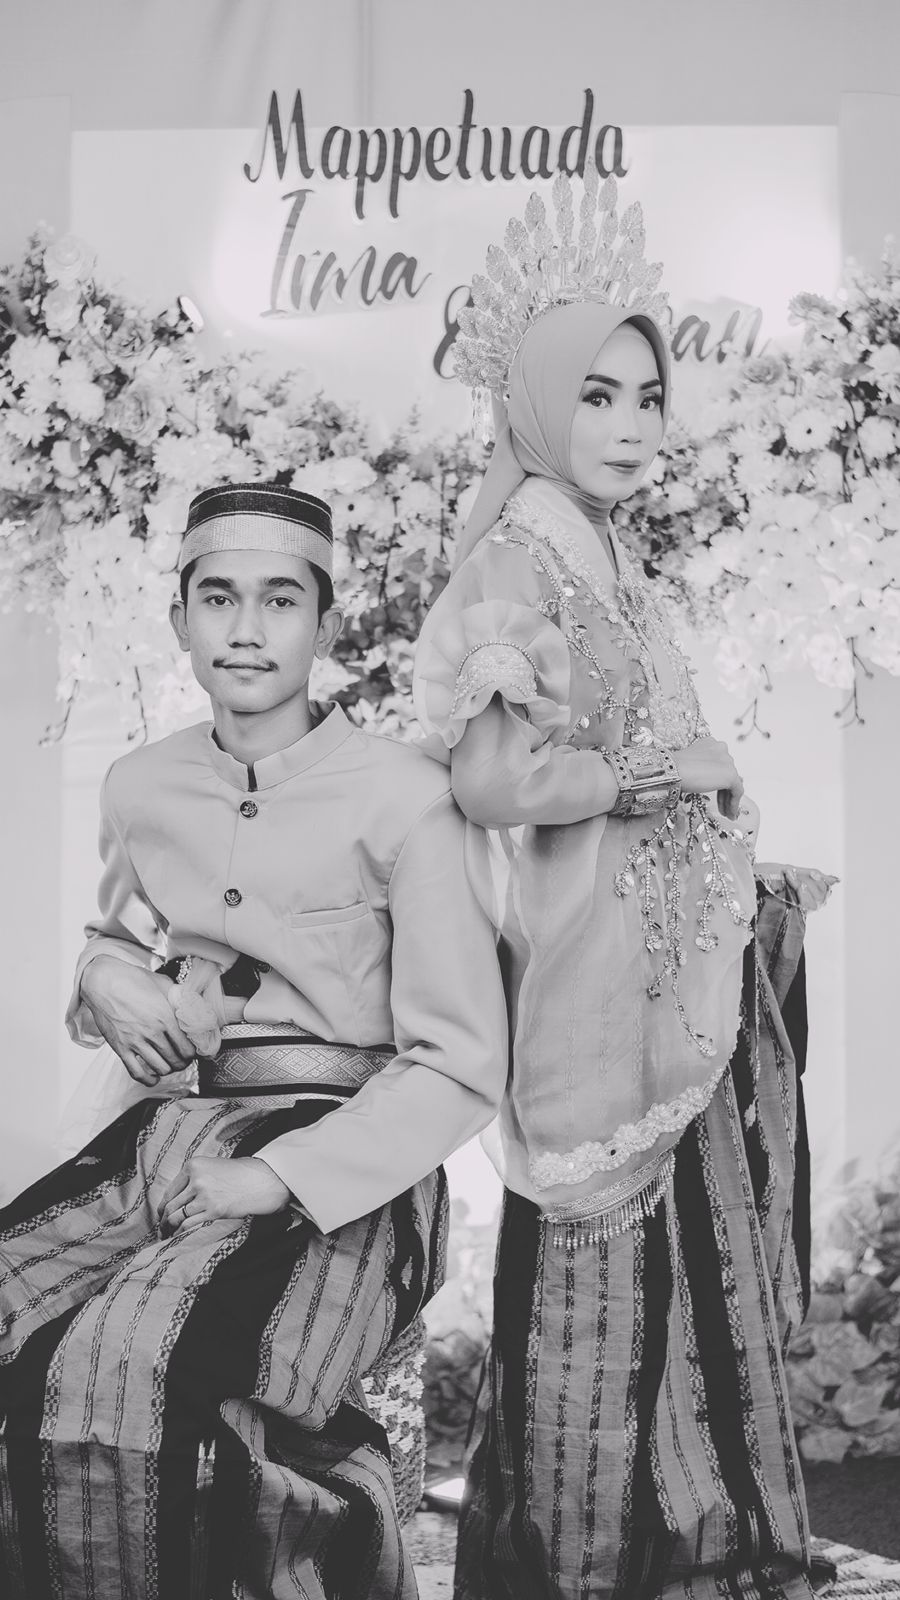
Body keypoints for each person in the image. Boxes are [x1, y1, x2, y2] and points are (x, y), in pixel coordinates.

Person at [413, 173, 836, 1600]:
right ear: (537, 404)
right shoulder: (517, 556)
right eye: (597, 396)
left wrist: (727, 846)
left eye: (650, 396)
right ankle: (582, 1562)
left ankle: (687, 1546)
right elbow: (493, 778)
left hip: (669, 956)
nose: (634, 425)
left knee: (686, 1265)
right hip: (594, 968)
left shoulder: (609, 556)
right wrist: (652, 781)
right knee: (601, 1270)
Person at [0, 482, 508, 1600]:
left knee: (124, 1363)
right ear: (178, 618)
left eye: (281, 600)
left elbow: (464, 1058)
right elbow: (115, 942)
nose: (246, 627)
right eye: (218, 597)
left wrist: (279, 1176)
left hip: (347, 1170)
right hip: (165, 1141)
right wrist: (102, 975)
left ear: (326, 624)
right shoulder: (141, 786)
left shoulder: (412, 798)